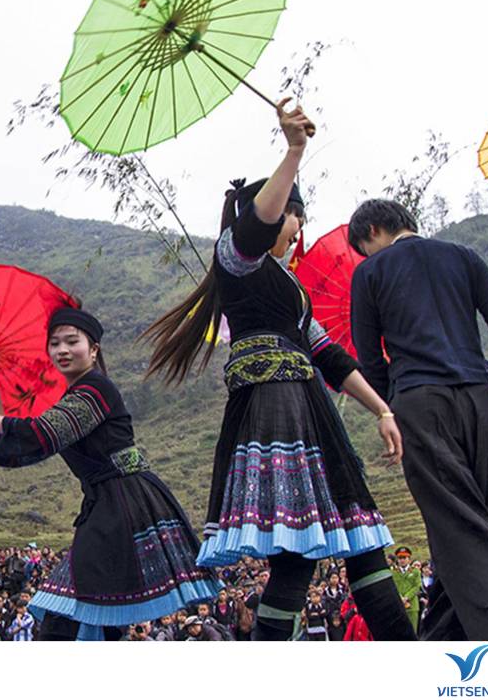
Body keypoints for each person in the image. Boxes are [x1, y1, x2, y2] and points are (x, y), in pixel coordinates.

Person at [143, 101, 416, 642]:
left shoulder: (291, 293)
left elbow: (331, 358)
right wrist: (293, 151)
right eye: (296, 218)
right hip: (274, 411)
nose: (297, 231)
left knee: (357, 548)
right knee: (297, 555)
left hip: (312, 414)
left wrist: (382, 408)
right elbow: (255, 227)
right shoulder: (237, 259)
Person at [0, 307, 219, 641]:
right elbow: (33, 447)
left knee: (82, 607)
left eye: (72, 341)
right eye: (55, 344)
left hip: (123, 506)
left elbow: (44, 432)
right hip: (107, 507)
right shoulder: (77, 395)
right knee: (93, 607)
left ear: (94, 349)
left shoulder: (96, 390)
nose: (62, 350)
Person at [348, 198, 488, 641]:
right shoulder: (465, 257)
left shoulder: (369, 274)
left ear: (373, 232)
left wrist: (392, 409)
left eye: (364, 248)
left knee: (461, 528)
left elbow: (370, 359)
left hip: (420, 404)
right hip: (480, 402)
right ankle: (441, 646)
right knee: (467, 523)